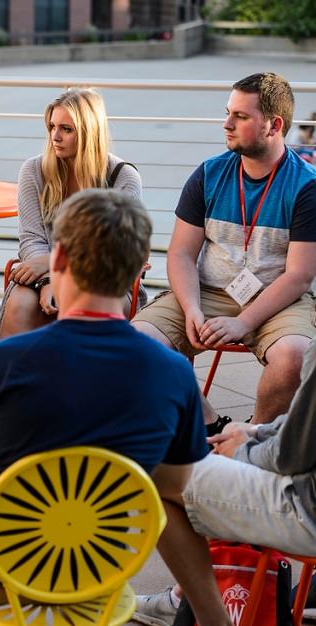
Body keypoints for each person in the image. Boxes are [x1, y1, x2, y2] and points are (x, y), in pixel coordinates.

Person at [0, 189, 258, 626]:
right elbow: (179, 486)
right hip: (102, 564)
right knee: (153, 486)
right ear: (139, 274)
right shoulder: (174, 372)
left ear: (61, 259)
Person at [133, 73, 316, 430]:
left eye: (241, 117)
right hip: (209, 292)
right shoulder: (209, 174)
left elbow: (299, 275)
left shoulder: (306, 186)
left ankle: (249, 439)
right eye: (228, 112)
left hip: (281, 300)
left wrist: (244, 322)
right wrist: (191, 309)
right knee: (136, 345)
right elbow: (181, 255)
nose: (226, 124)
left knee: (295, 358)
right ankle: (209, 426)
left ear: (274, 125)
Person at [135, 337, 316, 626]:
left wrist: (242, 451)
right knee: (228, 448)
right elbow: (305, 430)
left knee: (159, 475)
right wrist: (255, 432)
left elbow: (292, 456)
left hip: (305, 507)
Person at [0, 87, 143, 340]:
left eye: (66, 129)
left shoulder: (123, 177)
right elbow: (31, 238)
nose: (55, 136)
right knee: (20, 305)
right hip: (41, 275)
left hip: (104, 283)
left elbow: (113, 253)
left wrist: (53, 265)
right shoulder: (33, 171)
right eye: (51, 126)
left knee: (78, 308)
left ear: (89, 133)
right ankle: (8, 378)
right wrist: (48, 278)